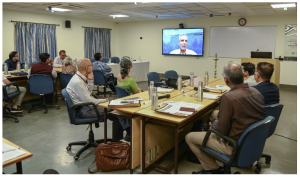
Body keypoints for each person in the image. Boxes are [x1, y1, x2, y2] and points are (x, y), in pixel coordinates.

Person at [185, 61, 265, 174]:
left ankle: (212, 169)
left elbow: (222, 130)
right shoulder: (257, 92)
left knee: (189, 137)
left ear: (226, 79)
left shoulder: (228, 97)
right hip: (250, 142)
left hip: (233, 145)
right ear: (243, 76)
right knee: (214, 116)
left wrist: (215, 124)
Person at [116, 56, 145, 141]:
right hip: (131, 104)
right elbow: (138, 94)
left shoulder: (118, 76)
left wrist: (138, 88)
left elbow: (126, 88)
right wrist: (140, 90)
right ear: (129, 68)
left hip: (122, 102)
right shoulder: (131, 80)